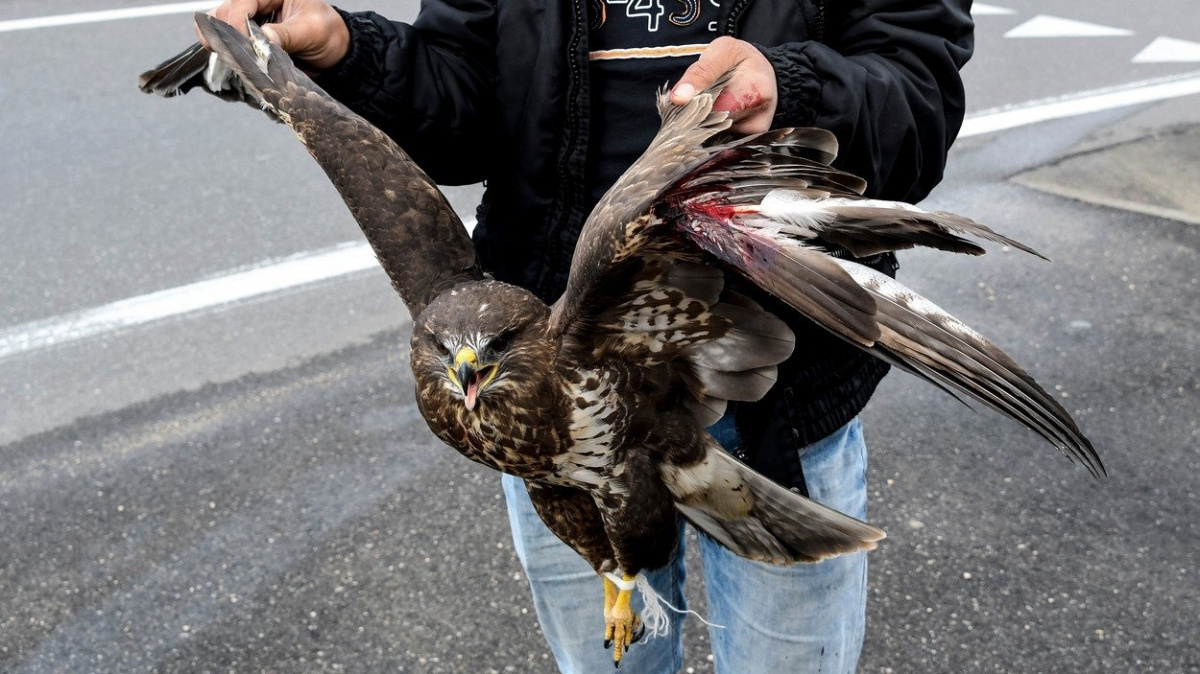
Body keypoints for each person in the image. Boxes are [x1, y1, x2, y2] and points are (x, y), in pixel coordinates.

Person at [197, 0, 974, 670]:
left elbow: (919, 96)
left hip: (771, 379)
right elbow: (461, 96)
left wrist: (791, 88)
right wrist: (344, 46)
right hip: (548, 403)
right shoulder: (478, 372)